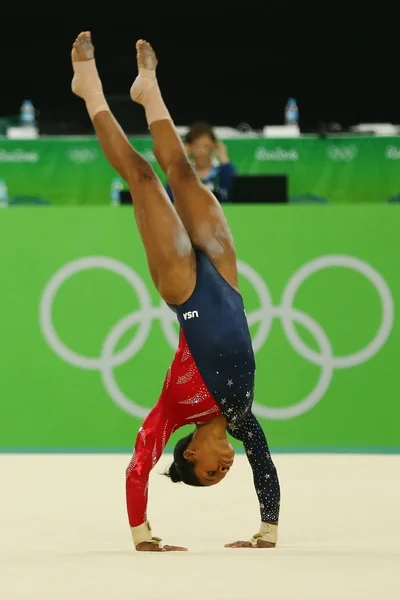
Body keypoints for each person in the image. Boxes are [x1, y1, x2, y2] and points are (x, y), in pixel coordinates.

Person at [71, 32, 280, 552]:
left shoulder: (172, 411)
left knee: (143, 178)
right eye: (225, 475)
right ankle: (149, 89)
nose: (224, 468)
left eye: (212, 474)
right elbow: (267, 468)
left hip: (185, 292)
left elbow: (139, 461)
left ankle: (89, 88)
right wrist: (267, 531)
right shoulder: (241, 416)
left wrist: (142, 535)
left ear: (189, 455)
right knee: (183, 169)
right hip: (228, 282)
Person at [165, 122, 236, 203]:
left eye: (206, 146)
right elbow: (169, 198)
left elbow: (233, 195)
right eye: (196, 146)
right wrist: (181, 161)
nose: (201, 152)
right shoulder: (182, 171)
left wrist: (224, 160)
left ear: (214, 146)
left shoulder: (223, 170)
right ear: (189, 147)